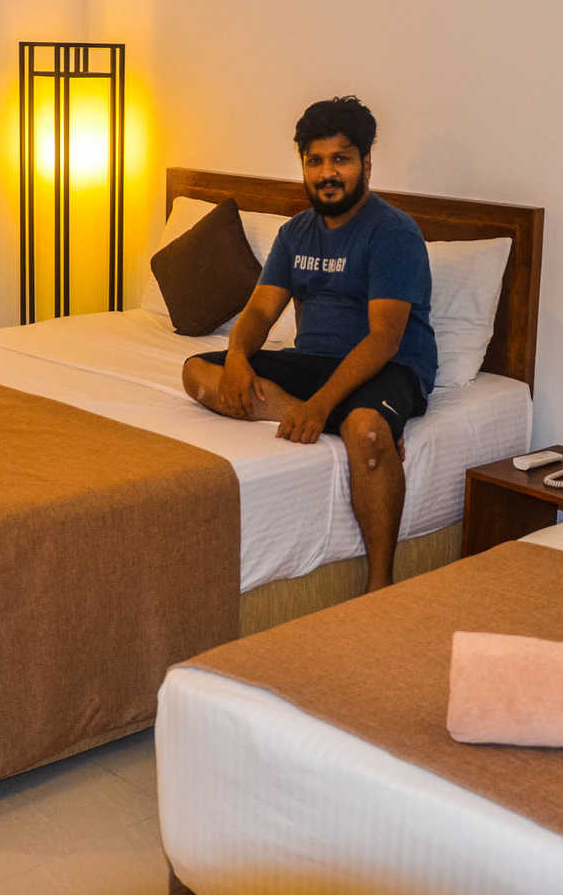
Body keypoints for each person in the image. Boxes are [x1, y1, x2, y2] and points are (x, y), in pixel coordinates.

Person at [182, 96, 437, 592]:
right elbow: (260, 311)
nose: (327, 173)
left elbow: (384, 339)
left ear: (366, 162)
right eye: (314, 161)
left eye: (340, 159)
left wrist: (321, 407)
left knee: (366, 432)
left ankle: (380, 587)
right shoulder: (296, 233)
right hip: (313, 361)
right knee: (198, 372)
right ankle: (340, 417)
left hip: (388, 365)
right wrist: (237, 357)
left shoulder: (393, 233)